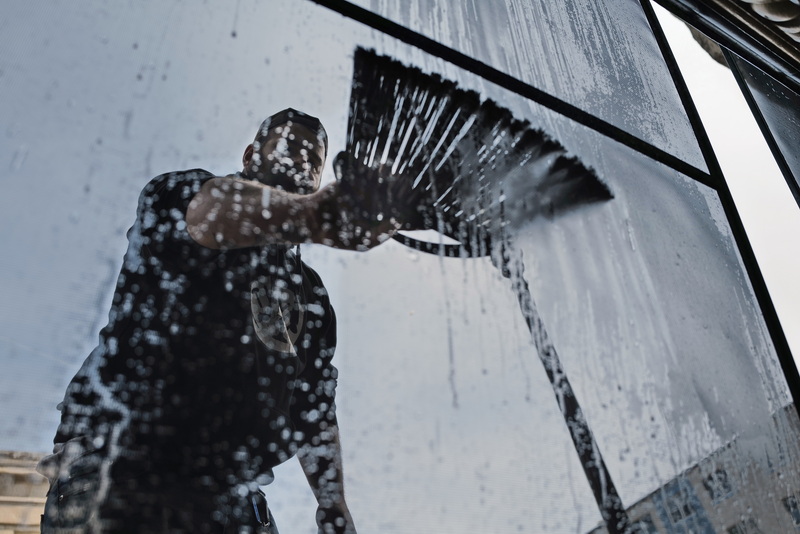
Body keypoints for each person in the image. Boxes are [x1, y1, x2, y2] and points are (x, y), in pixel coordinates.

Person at [38, 108, 412, 533]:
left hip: (234, 494)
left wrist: (333, 505)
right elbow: (211, 211)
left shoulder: (311, 296)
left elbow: (314, 407)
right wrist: (316, 217)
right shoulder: (180, 194)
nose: (301, 163)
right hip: (120, 472)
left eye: (314, 160)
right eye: (289, 148)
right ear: (252, 154)